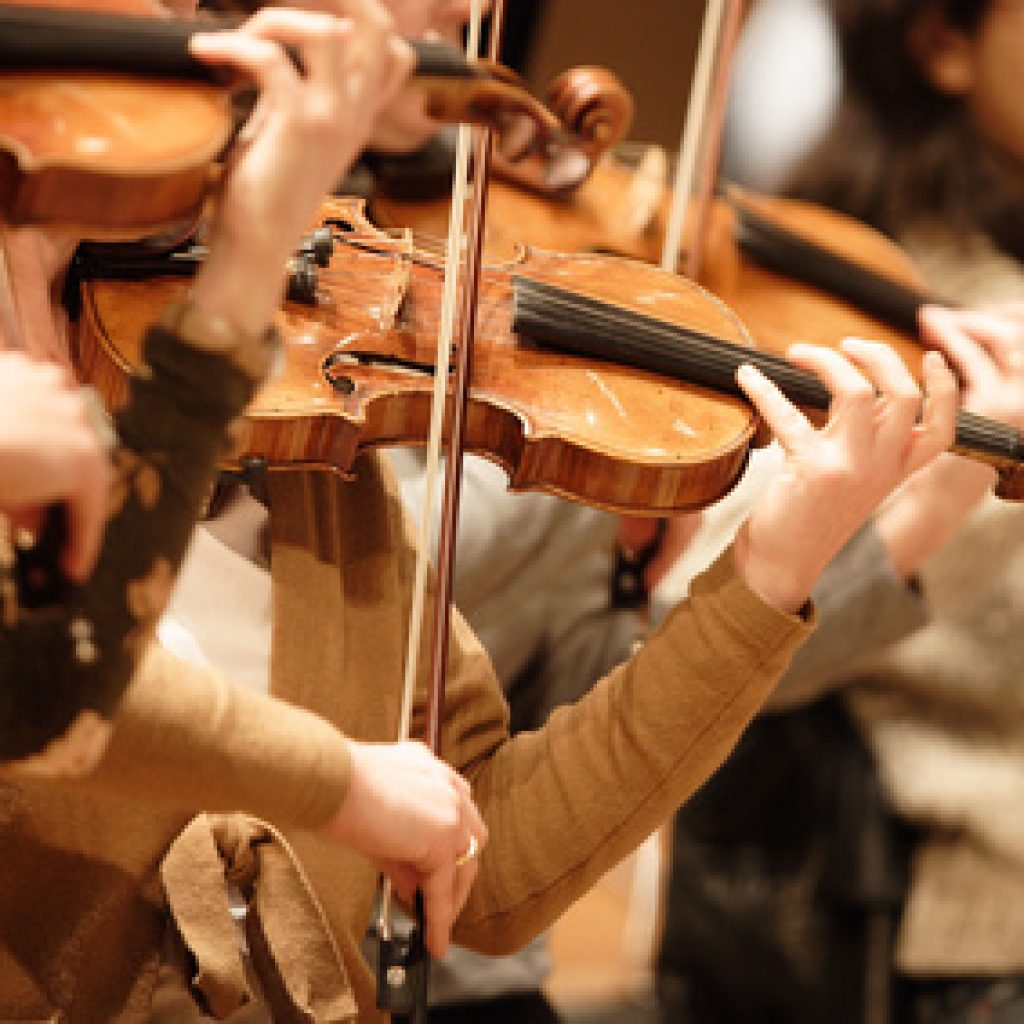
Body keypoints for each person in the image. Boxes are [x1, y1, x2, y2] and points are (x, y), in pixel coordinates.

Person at [0, 3, 966, 1022]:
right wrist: (344, 785)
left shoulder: (301, 431)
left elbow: (485, 858)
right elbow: (56, 678)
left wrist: (782, 555)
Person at [658, 1, 1024, 1020]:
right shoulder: (847, 321)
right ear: (940, 46)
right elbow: (693, 645)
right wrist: (953, 485)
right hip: (944, 939)